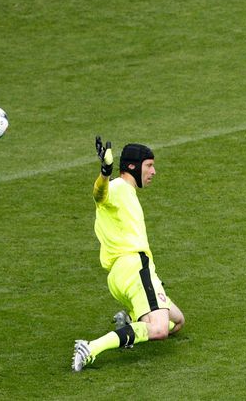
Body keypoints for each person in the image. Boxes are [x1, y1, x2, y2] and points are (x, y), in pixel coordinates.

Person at [72, 137, 185, 372]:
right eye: (149, 165)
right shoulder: (117, 187)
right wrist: (104, 173)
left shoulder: (127, 192)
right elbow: (99, 194)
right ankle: (91, 347)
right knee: (159, 329)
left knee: (177, 321)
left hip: (121, 275)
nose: (154, 172)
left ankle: (130, 323)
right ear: (133, 166)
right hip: (134, 268)